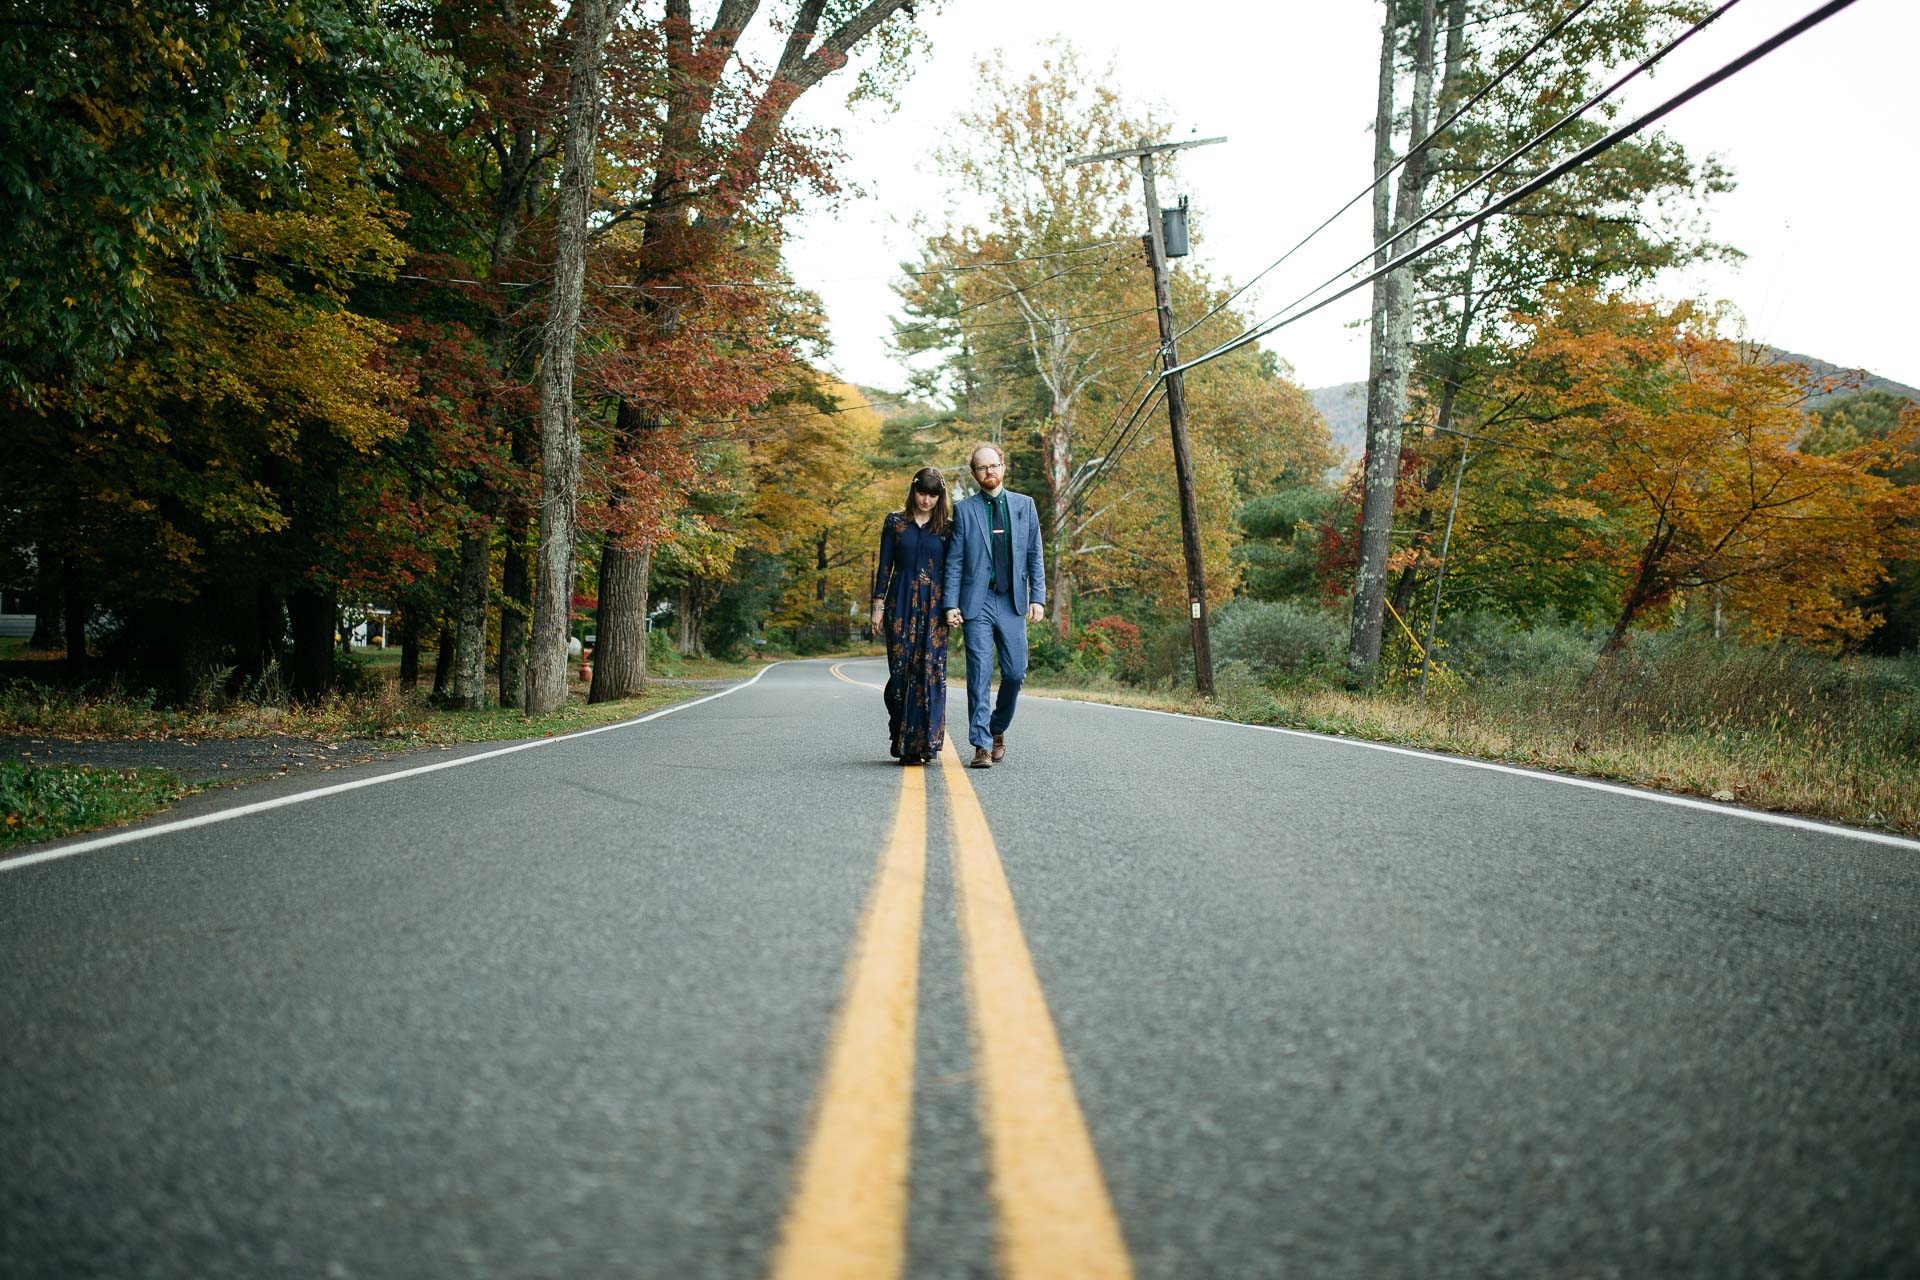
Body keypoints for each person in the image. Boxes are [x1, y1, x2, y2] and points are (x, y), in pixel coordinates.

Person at [943, 443, 1045, 769]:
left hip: (1012, 600)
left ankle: (997, 728)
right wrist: (950, 603)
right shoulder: (964, 510)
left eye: (994, 465)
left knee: (1015, 672)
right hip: (977, 601)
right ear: (974, 474)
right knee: (979, 673)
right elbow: (954, 562)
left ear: (1003, 466)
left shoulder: (1024, 506)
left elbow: (1034, 555)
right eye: (982, 467)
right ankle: (981, 745)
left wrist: (1037, 597)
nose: (989, 472)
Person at [870, 467, 953, 765]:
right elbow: (884, 566)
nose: (927, 500)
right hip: (900, 603)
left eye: (933, 495)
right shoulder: (895, 522)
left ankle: (924, 744)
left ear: (940, 496)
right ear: (913, 490)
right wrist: (877, 606)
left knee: (929, 673)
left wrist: (955, 606)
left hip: (935, 609)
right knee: (901, 673)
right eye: (922, 493)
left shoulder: (947, 528)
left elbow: (953, 571)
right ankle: (902, 737)